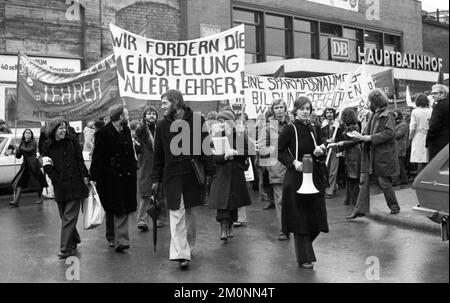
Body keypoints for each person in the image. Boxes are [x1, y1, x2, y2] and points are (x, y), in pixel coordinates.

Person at [151, 89, 215, 269]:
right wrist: (155, 180)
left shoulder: (197, 120)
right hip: (172, 177)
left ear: (176, 103)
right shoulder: (162, 125)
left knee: (190, 215)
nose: (162, 106)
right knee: (176, 214)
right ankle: (181, 253)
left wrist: (211, 173)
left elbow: (206, 148)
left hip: (192, 176)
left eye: (165, 103)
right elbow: (158, 156)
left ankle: (188, 246)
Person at [278, 97, 329, 269]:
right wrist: (293, 162)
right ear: (295, 110)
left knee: (317, 217)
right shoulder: (289, 129)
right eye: (302, 108)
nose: (305, 111)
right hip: (296, 178)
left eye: (308, 108)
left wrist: (319, 151)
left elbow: (319, 149)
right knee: (300, 219)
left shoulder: (313, 128)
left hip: (313, 176)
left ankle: (304, 246)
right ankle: (304, 256)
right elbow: (280, 152)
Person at [347, 89, 401, 219]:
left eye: (370, 101)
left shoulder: (387, 115)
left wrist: (370, 138)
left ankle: (394, 207)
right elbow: (368, 132)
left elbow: (389, 133)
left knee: (383, 182)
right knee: (364, 181)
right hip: (370, 153)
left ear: (375, 102)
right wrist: (359, 136)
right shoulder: (373, 115)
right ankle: (359, 209)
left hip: (380, 154)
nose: (369, 103)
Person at [90, 104, 137, 253]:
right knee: (111, 207)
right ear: (120, 116)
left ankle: (121, 240)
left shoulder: (126, 130)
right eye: (127, 114)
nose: (128, 117)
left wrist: (134, 167)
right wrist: (93, 177)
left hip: (126, 175)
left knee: (122, 208)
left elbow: (130, 152)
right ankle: (112, 236)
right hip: (108, 175)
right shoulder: (102, 133)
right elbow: (97, 157)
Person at [41, 118, 89, 259]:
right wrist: (55, 178)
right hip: (60, 185)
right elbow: (46, 165)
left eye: (65, 128)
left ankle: (64, 248)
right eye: (60, 128)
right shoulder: (47, 145)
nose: (63, 130)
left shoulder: (72, 140)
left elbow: (79, 159)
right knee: (64, 216)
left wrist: (85, 176)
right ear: (53, 129)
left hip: (75, 183)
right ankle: (73, 239)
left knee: (69, 217)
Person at [208, 110, 251, 241]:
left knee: (232, 203)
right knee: (222, 203)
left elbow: (247, 152)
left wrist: (236, 152)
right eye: (219, 121)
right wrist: (223, 156)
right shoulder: (213, 137)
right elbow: (210, 156)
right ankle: (223, 228)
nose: (222, 124)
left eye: (224, 121)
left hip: (235, 173)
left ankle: (231, 224)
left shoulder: (239, 135)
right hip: (220, 173)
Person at [259, 99, 292, 240]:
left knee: (293, 199)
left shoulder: (293, 124)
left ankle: (293, 225)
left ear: (285, 108)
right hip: (277, 166)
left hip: (293, 166)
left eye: (281, 107)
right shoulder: (267, 128)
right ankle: (283, 229)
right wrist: (277, 149)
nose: (279, 110)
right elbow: (261, 148)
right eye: (276, 107)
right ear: (273, 110)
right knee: (280, 200)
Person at [134, 106, 162, 232]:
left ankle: (161, 218)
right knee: (145, 193)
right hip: (146, 163)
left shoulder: (161, 128)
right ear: (144, 116)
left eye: (154, 114)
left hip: (160, 162)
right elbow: (136, 148)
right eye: (149, 114)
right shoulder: (141, 130)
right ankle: (142, 220)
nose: (151, 116)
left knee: (161, 193)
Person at [10, 129, 48, 207]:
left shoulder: (33, 142)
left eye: (29, 133)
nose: (28, 134)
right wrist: (16, 150)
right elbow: (19, 156)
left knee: (37, 182)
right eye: (26, 133)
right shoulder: (22, 142)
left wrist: (20, 147)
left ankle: (40, 197)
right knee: (20, 182)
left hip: (33, 164)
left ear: (31, 134)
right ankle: (16, 201)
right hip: (25, 165)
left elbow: (30, 150)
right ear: (24, 134)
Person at [336, 108, 361, 211]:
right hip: (353, 154)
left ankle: (353, 201)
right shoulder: (353, 127)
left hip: (353, 155)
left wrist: (343, 143)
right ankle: (351, 200)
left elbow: (356, 140)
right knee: (351, 179)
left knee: (353, 178)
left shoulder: (351, 128)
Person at [321, 107, 343, 198]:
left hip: (336, 150)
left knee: (333, 170)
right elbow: (320, 137)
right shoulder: (322, 125)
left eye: (330, 112)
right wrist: (326, 141)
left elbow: (342, 137)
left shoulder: (338, 124)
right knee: (327, 169)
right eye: (327, 112)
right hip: (326, 149)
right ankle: (331, 187)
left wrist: (335, 140)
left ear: (333, 113)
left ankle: (329, 190)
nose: (329, 114)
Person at [409, 94, 432, 174]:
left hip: (418, 136)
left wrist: (410, 137)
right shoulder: (431, 110)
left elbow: (412, 127)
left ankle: (420, 179)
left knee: (420, 161)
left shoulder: (415, 111)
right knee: (429, 159)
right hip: (429, 136)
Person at [426, 84, 449, 160]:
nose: (432, 95)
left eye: (435, 93)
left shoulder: (439, 106)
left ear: (442, 94)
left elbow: (434, 126)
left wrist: (428, 141)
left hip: (439, 143)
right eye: (432, 93)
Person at [392, 110, 409, 185]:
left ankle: (394, 181)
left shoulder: (403, 124)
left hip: (400, 147)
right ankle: (404, 180)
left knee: (397, 165)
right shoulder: (396, 124)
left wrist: (390, 132)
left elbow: (398, 134)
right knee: (400, 165)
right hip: (397, 147)